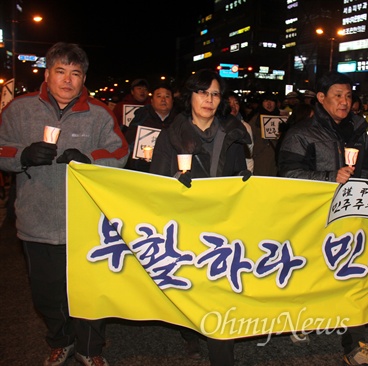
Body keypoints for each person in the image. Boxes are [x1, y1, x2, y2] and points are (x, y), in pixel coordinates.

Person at [0, 42, 129, 366]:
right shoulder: (19, 109)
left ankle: (90, 347)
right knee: (47, 294)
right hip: (37, 221)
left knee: (90, 292)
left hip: (84, 223)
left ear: (84, 78)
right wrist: (22, 155)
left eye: (76, 73)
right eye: (61, 71)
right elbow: (1, 148)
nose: (68, 80)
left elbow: (120, 153)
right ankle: (61, 340)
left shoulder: (99, 113)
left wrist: (90, 159)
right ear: (47, 74)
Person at [278, 71, 368, 366]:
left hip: (349, 217)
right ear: (321, 98)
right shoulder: (301, 133)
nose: (345, 101)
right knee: (309, 274)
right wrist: (328, 177)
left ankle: (355, 345)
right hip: (312, 218)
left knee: (352, 277)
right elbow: (286, 175)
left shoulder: (359, 131)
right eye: (337, 95)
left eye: (349, 96)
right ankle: (299, 319)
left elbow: (364, 173)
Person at [149, 69, 251, 366]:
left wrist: (242, 180)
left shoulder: (232, 133)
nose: (209, 99)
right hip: (186, 226)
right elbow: (156, 184)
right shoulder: (171, 136)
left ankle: (222, 354)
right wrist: (174, 182)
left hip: (221, 226)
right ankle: (190, 333)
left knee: (219, 290)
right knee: (189, 287)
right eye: (202, 92)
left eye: (215, 94)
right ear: (189, 96)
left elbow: (237, 177)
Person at [124, 82, 179, 172]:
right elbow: (129, 146)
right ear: (152, 101)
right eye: (159, 96)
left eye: (167, 96)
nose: (163, 99)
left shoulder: (179, 122)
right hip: (143, 171)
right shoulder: (141, 118)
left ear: (172, 101)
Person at [248, 92, 281, 176]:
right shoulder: (255, 119)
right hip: (259, 158)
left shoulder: (282, 119)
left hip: (276, 159)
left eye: (272, 101)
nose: (269, 103)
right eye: (266, 100)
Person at [225, 90, 254, 172]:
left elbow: (249, 155)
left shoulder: (245, 127)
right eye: (229, 103)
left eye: (236, 103)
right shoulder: (215, 125)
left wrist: (249, 172)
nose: (233, 106)